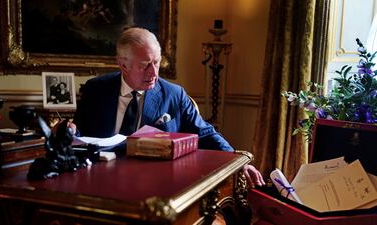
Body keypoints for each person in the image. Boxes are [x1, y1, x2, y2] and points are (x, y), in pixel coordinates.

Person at [73, 27, 265, 188]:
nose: (154, 72)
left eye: (156, 62)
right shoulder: (95, 90)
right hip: (99, 181)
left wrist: (237, 163)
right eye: (145, 65)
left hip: (154, 184)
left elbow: (206, 134)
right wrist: (68, 131)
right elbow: (79, 135)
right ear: (123, 65)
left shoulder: (174, 94)